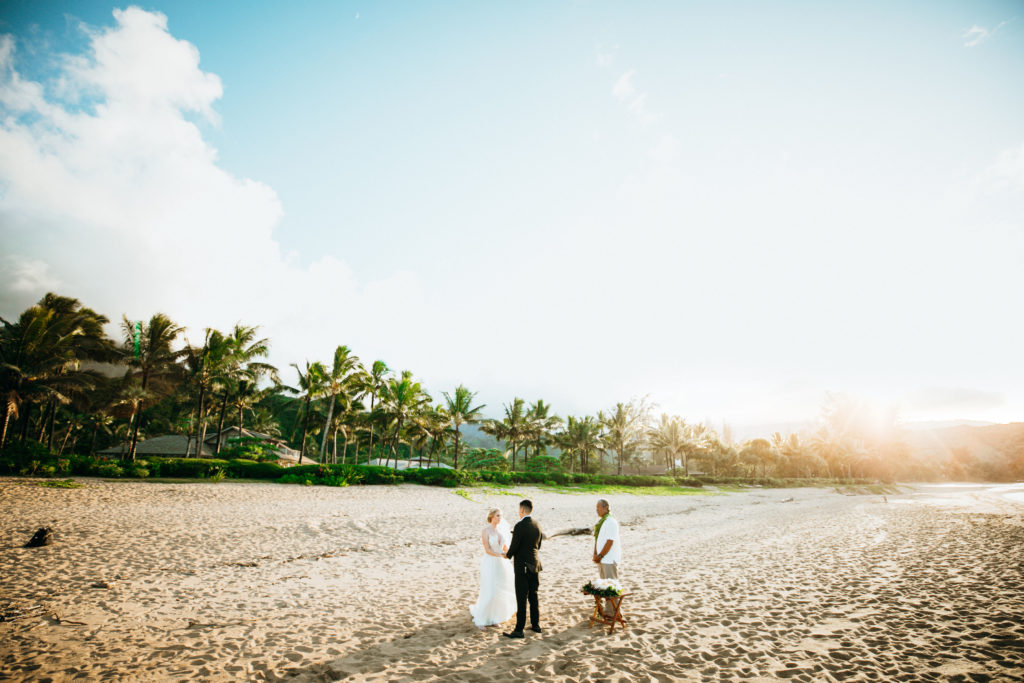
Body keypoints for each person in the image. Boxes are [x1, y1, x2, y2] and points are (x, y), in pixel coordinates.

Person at [469, 508, 516, 629]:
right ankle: (483, 618)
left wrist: (508, 553)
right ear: (491, 517)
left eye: (501, 516)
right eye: (497, 516)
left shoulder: (501, 530)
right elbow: (487, 549)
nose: (500, 518)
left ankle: (495, 617)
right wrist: (500, 555)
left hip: (501, 562)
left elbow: (505, 546)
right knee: (490, 589)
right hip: (490, 562)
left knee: (500, 589)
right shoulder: (486, 530)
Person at [503, 499, 543, 639]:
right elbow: (539, 545)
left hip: (523, 566)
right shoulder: (537, 524)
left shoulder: (520, 525)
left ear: (522, 510)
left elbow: (514, 546)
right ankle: (536, 625)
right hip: (535, 564)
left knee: (521, 597)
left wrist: (507, 555)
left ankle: (519, 630)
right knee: (534, 595)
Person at [592, 498, 620, 614]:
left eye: (599, 508)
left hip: (608, 558)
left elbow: (610, 541)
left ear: (606, 508)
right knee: (604, 585)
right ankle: (608, 610)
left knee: (611, 586)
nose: (597, 510)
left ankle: (614, 612)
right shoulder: (602, 521)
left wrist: (600, 555)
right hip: (602, 558)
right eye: (596, 508)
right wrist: (595, 554)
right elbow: (598, 539)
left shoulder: (611, 521)